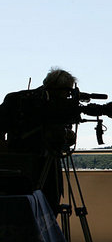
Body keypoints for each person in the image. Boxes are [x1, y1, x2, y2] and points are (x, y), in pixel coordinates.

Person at [0, 68, 77, 214]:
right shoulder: (22, 102)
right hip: (33, 171)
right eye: (67, 92)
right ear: (60, 89)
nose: (68, 97)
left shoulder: (16, 99)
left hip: (17, 170)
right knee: (47, 210)